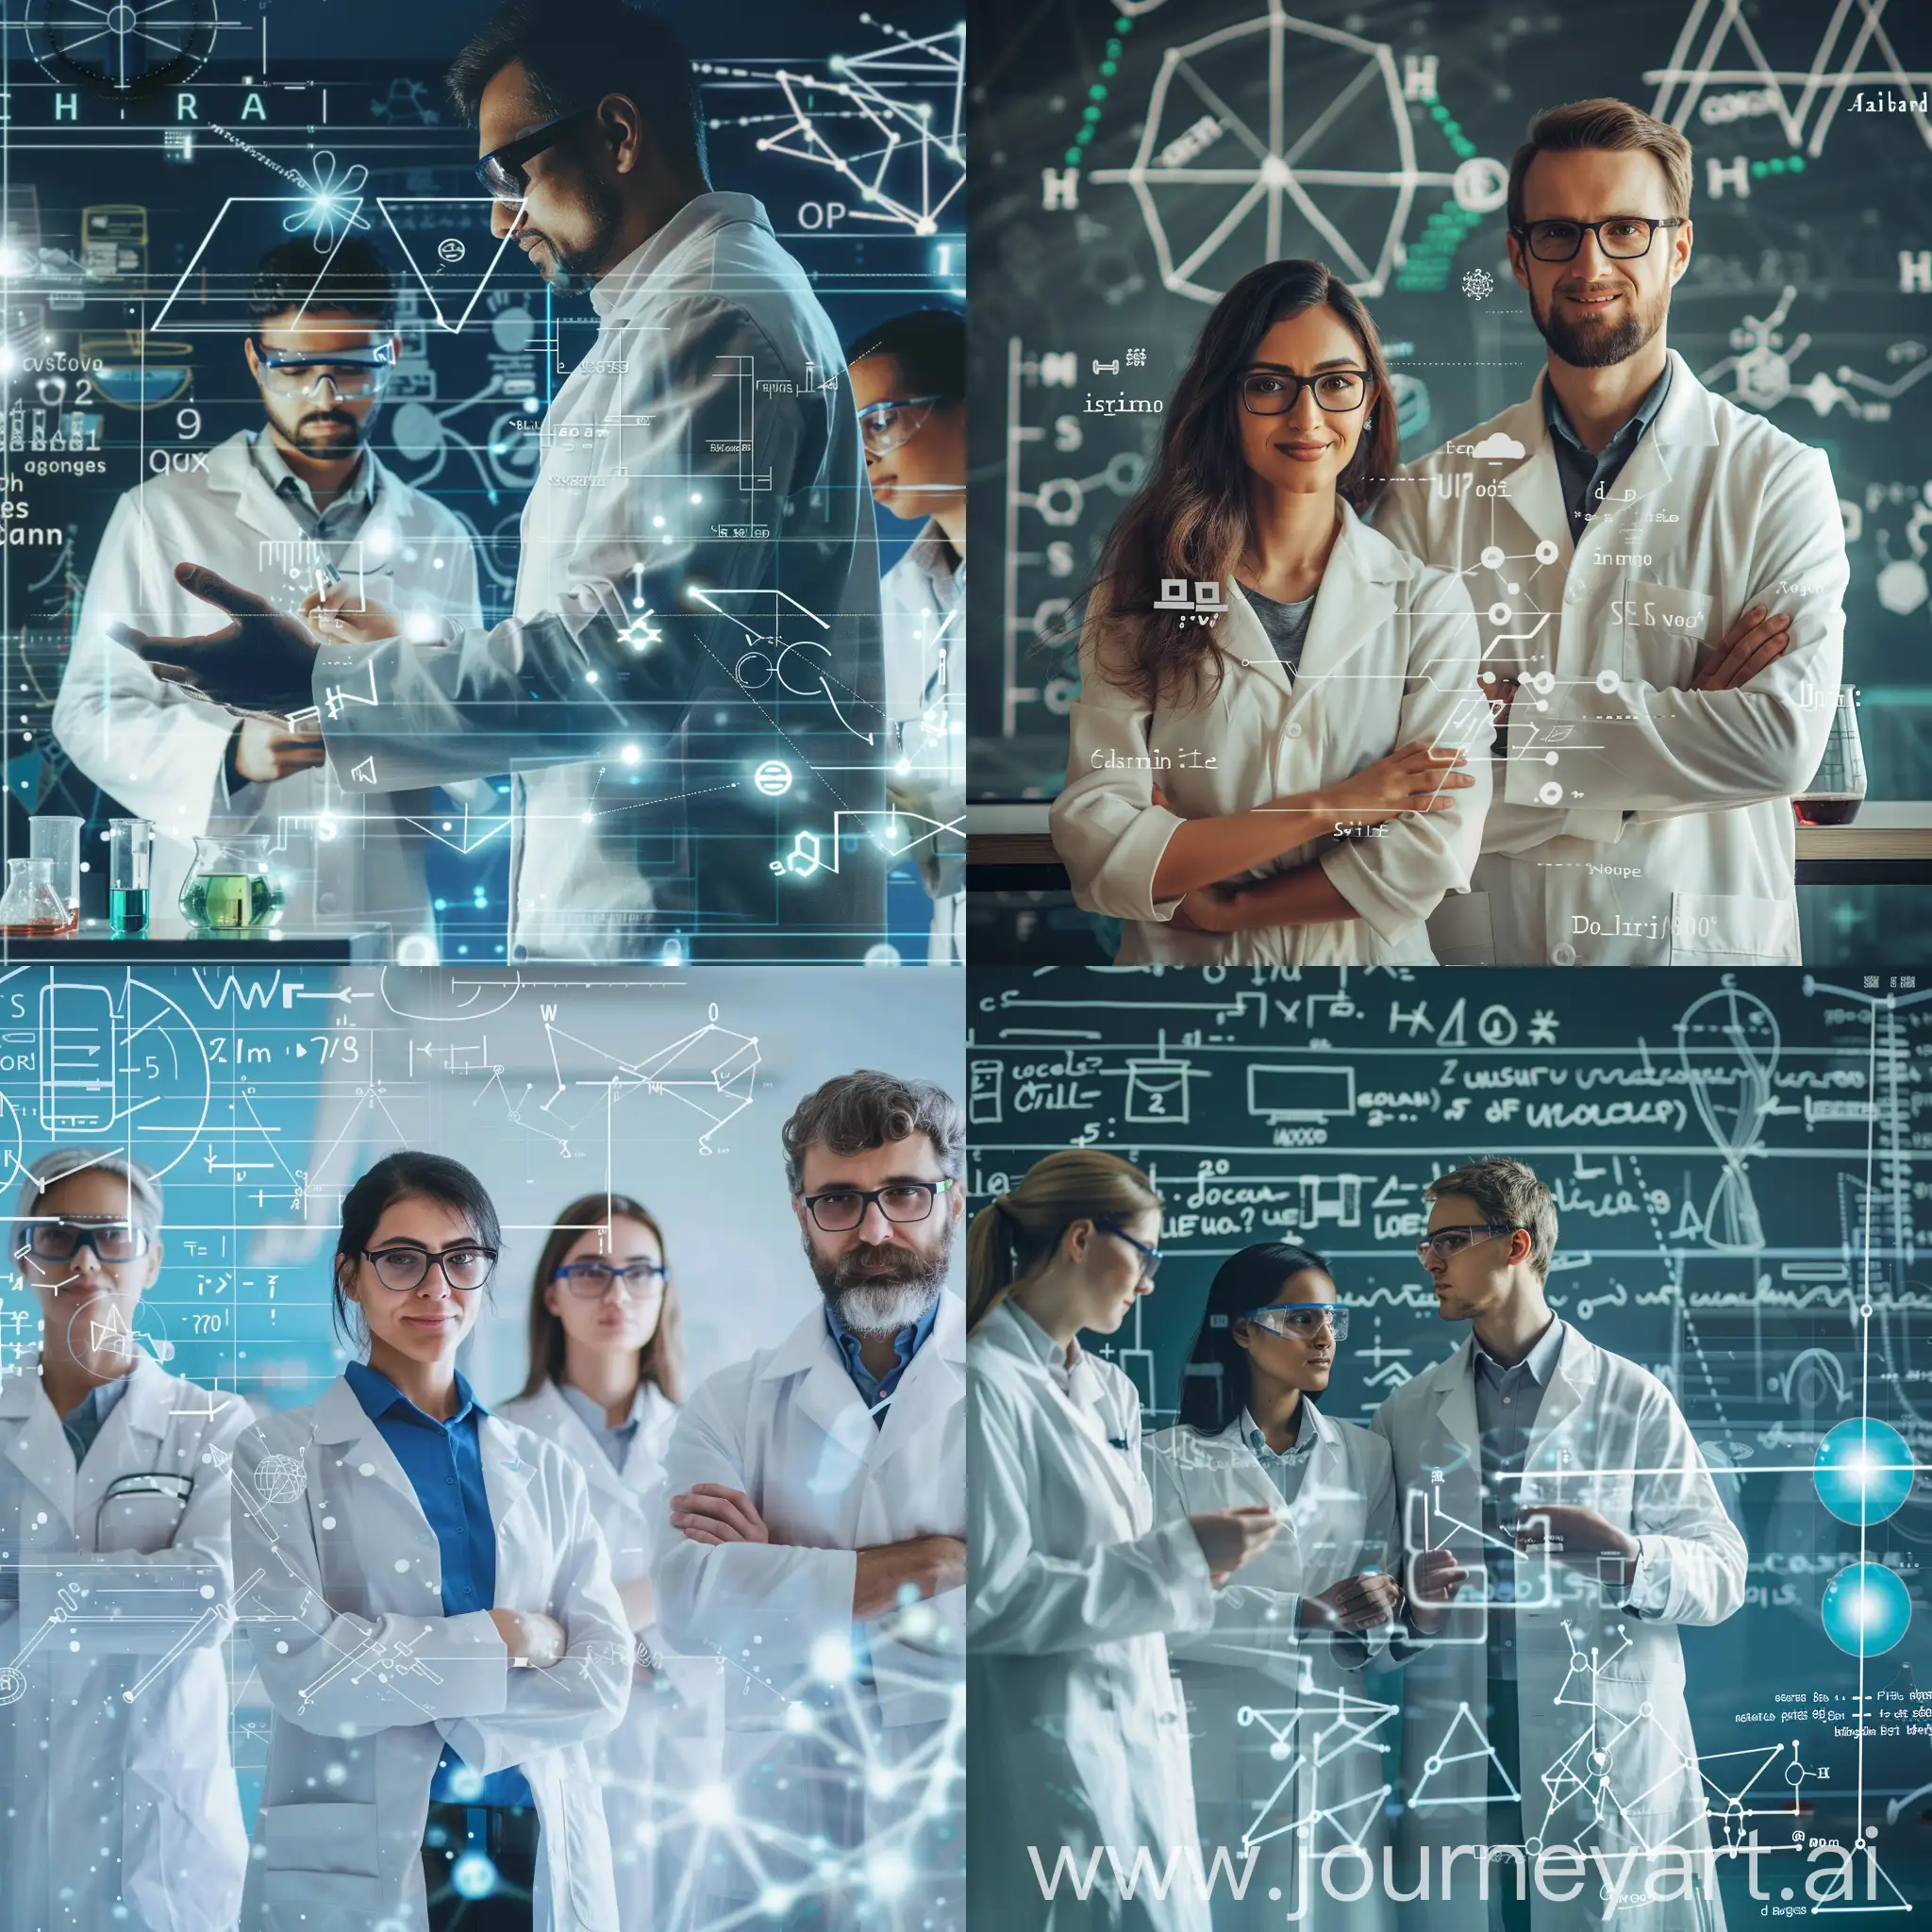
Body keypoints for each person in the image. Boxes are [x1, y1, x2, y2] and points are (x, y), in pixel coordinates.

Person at [111, 0, 886, 965]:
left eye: (507, 172)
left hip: (680, 937)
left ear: (615, 132)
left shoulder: (710, 320)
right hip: (664, 929)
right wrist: (395, 660)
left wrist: (315, 678)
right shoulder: (677, 316)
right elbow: (634, 640)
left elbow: (627, 670)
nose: (494, 217)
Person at [1375, 98, 1848, 967]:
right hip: (1483, 971)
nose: (1591, 263)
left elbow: (1778, 748)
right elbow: (1398, 771)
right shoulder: (1429, 496)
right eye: (1557, 233)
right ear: (1518, 257)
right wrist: (1683, 736)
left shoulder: (1778, 479)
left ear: (1678, 246)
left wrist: (1525, 721)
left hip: (1700, 974)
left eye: (1626, 229)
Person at [230, 1153, 631, 1932]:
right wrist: (507, 1638)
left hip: (531, 1830)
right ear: (350, 1274)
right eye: (402, 1260)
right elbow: (306, 1674)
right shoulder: (276, 1456)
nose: (436, 1287)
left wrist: (414, 1683)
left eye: (462, 1260)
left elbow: (605, 1677)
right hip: (365, 1849)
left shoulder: (545, 1466)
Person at [1050, 258, 1491, 964]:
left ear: (1372, 399)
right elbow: (1099, 839)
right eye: (1268, 386)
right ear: (1226, 399)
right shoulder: (1138, 600)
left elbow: (1434, 847)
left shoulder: (1428, 604)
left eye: (1337, 384)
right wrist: (1342, 804)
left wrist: (1226, 901)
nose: (1307, 416)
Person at [55, 238, 483, 954]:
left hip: (386, 922)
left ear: (393, 353)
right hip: (213, 919)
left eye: (350, 366)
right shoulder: (160, 517)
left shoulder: (440, 536)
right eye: (294, 367)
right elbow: (89, 711)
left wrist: (407, 684)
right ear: (256, 360)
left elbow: (481, 735)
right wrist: (231, 755)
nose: (324, 395)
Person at [1372, 1158, 1745, 1931]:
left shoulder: (1630, 1396)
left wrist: (1628, 1557)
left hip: (1602, 1744)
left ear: (1515, 1247)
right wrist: (1406, 1608)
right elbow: (1379, 1593)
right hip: (1463, 1749)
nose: (1430, 1259)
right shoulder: (1408, 1412)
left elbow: (1723, 1572)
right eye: (1426, 1243)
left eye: (1450, 1239)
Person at [652, 1072, 967, 1928]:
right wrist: (941, 1560)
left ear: (953, 1202)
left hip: (962, 1807)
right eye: (838, 1200)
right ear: (802, 1216)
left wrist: (780, 1577)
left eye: (903, 1194)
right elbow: (687, 1606)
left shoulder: (1013, 1392)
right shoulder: (730, 1403)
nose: (873, 1230)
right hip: (778, 1817)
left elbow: (1030, 1602)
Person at [967, 1150, 1281, 1932]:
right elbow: (988, 1601)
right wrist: (1181, 1557)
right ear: (1081, 1238)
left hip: (1135, 1739)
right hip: (1046, 1759)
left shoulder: (1109, 1388)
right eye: (1146, 1254)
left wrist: (1189, 1563)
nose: (1149, 1283)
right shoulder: (981, 1384)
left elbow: (1123, 1575)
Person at [0, 1148, 250, 1932]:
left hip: (160, 1840)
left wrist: (19, 1587)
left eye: (111, 1237)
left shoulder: (218, 1427)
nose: (84, 1261)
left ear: (152, 1260)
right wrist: (133, 1588)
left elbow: (212, 1597)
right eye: (55, 1237)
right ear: (22, 1258)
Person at [1146, 1244, 1400, 1929]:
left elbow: (1376, 1622)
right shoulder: (1165, 1461)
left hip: (1337, 1739)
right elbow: (1157, 1609)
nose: (1324, 1338)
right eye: (1300, 1318)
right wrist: (1298, 1615)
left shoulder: (1368, 1457)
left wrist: (1382, 1608)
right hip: (1217, 1741)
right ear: (1242, 1330)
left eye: (1331, 1320)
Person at [500, 1192, 722, 1931]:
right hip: (560, 1737)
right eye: (591, 1271)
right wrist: (670, 1586)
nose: (618, 1293)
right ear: (552, 1293)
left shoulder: (713, 1437)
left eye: (639, 1271)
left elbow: (743, 1580)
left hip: (692, 1731)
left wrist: (588, 1622)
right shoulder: (499, 1443)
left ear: (665, 1289)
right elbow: (508, 1617)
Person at [847, 308, 967, 965]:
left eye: (881, 421)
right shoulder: (893, 603)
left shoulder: (1077, 592)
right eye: (851, 433)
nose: (864, 454)